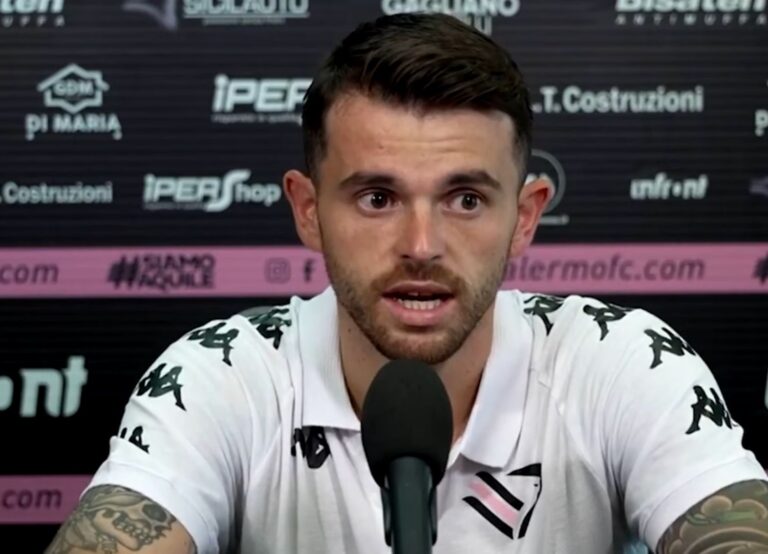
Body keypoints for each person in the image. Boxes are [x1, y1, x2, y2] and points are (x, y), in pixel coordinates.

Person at [45, 13, 767, 554]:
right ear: (308, 210)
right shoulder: (221, 374)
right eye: (377, 198)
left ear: (524, 218)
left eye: (466, 199)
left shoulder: (620, 360)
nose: (421, 247)